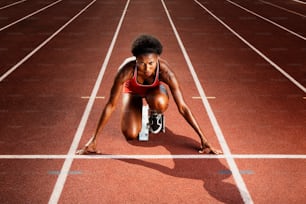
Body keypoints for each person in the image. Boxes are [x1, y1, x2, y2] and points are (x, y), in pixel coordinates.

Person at [76, 34, 222, 155]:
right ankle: (139, 111)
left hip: (154, 93)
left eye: (151, 63)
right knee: (131, 135)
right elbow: (111, 105)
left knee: (159, 102)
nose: (147, 68)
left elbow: (182, 107)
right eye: (142, 63)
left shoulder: (166, 73)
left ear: (157, 59)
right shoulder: (125, 71)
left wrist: (203, 139)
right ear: (136, 60)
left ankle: (154, 112)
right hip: (133, 92)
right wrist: (93, 140)